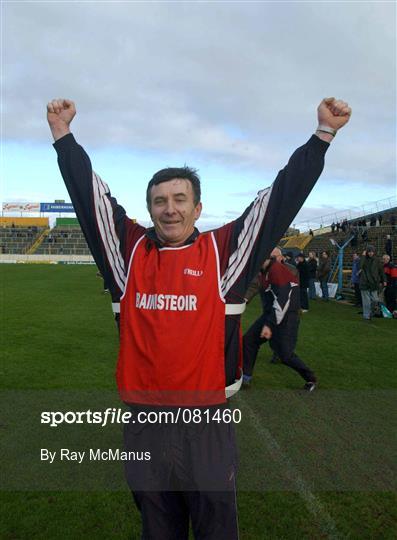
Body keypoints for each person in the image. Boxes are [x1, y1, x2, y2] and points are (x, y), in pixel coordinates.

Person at [47, 96, 351, 540]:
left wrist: (322, 136)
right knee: (157, 527)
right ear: (149, 209)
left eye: (179, 199)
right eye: (159, 201)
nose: (169, 209)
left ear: (197, 208)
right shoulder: (127, 254)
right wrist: (63, 136)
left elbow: (279, 200)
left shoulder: (223, 252)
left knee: (216, 528)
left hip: (206, 422)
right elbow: (90, 197)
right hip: (144, 423)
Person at [243, 248, 316, 391]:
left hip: (287, 316)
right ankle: (245, 377)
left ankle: (311, 378)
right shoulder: (263, 272)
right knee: (249, 340)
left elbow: (283, 301)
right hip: (271, 313)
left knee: (285, 354)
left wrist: (269, 325)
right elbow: (253, 286)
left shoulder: (279, 271)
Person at [359, 245, 386, 321]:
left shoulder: (377, 260)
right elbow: (360, 266)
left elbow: (381, 271)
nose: (371, 253)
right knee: (366, 302)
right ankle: (366, 316)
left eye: (372, 252)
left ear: (374, 252)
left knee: (375, 300)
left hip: (374, 283)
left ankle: (370, 312)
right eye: (369, 252)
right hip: (364, 282)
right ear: (366, 252)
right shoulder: (363, 259)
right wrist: (363, 256)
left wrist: (384, 280)